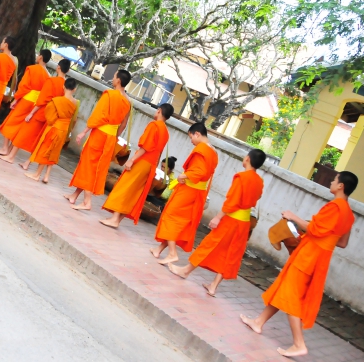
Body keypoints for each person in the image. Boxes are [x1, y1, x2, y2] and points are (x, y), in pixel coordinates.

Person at [240, 171, 357, 358]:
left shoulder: (335, 206)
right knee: (285, 289)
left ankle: (298, 343)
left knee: (290, 296)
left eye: (335, 180)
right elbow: (341, 243)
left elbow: (314, 229)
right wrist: (324, 239)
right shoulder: (349, 215)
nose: (332, 182)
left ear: (341, 186)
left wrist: (292, 217)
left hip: (309, 256)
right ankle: (258, 322)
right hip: (321, 257)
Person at [167, 148, 266, 296]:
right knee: (230, 253)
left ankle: (185, 271)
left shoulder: (241, 177)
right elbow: (255, 200)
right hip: (244, 222)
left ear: (247, 159)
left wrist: (218, 217)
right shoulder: (259, 181)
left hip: (231, 219)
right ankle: (213, 285)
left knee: (209, 244)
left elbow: (232, 202)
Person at [151, 122, 219, 264]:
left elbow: (199, 172)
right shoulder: (213, 151)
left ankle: (172, 253)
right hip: (198, 191)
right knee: (179, 222)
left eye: (191, 137)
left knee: (171, 217)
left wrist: (184, 176)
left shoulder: (202, 148)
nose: (191, 141)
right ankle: (159, 250)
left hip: (189, 189)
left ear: (197, 134)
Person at [64, 70, 132, 211]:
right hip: (110, 138)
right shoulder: (128, 101)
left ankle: (87, 202)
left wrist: (83, 132)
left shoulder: (110, 95)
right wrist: (114, 137)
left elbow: (98, 116)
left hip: (100, 135)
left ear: (118, 80)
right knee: (94, 167)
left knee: (89, 166)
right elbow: (124, 124)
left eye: (114, 76)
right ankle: (75, 195)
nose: (113, 79)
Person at [99, 103, 174, 229]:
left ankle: (114, 219)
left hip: (142, 161)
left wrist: (132, 160)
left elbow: (146, 146)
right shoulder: (166, 132)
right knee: (135, 193)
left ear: (159, 111)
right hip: (151, 165)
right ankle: (117, 219)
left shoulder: (154, 125)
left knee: (125, 188)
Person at [0, 58, 71, 168]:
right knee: (37, 138)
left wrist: (31, 112)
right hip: (51, 115)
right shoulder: (66, 86)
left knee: (23, 133)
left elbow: (42, 99)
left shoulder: (52, 81)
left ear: (58, 67)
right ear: (68, 71)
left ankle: (11, 156)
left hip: (41, 111)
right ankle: (26, 162)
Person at [0, 49, 52, 156]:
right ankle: (10, 150)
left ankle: (5, 148)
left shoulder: (32, 69)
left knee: (10, 122)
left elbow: (24, 86)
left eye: (38, 55)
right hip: (35, 104)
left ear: (40, 57)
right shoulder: (48, 76)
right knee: (21, 127)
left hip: (26, 100)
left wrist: (15, 99)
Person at [24, 77, 79, 184]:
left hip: (54, 128)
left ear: (63, 86)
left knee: (45, 151)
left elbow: (49, 115)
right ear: (74, 89)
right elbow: (75, 119)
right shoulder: (76, 102)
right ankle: (46, 176)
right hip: (64, 130)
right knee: (54, 152)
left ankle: (37, 174)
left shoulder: (56, 101)